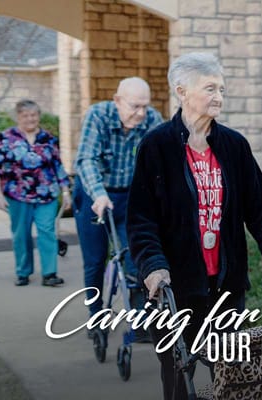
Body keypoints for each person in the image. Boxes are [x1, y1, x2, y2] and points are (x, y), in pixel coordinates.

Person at [127, 52, 262, 400]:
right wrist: (153, 267)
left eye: (222, 88)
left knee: (231, 375)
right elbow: (142, 220)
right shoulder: (156, 147)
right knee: (177, 376)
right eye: (209, 88)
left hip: (226, 287)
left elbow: (260, 207)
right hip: (176, 288)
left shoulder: (234, 145)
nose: (218, 96)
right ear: (182, 91)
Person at [73, 77, 162, 334]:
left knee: (135, 258)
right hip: (94, 194)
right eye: (135, 106)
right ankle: (96, 316)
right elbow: (86, 159)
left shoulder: (151, 119)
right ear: (117, 101)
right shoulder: (98, 115)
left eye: (145, 106)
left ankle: (139, 321)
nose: (141, 113)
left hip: (130, 197)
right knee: (95, 260)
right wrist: (99, 195)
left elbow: (161, 163)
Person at [0, 99, 71, 287]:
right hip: (17, 195)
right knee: (21, 234)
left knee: (47, 231)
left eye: (34, 115)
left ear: (39, 116)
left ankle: (49, 273)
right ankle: (23, 272)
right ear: (18, 117)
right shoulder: (6, 138)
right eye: (25, 115)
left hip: (46, 194)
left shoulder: (49, 139)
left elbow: (58, 166)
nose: (30, 119)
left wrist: (66, 192)